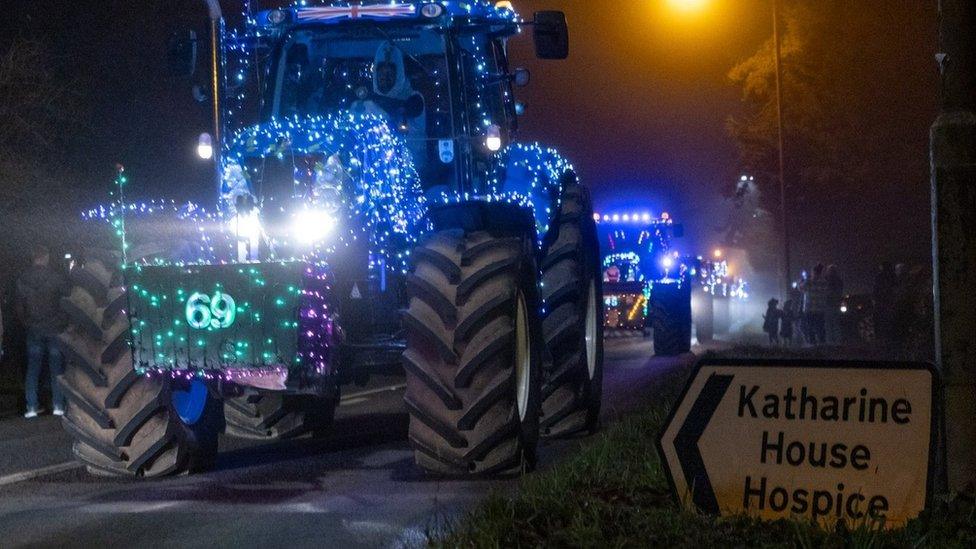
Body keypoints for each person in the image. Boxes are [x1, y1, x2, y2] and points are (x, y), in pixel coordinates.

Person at [16, 245, 68, 418]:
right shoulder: (56, 278)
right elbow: (65, 303)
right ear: (46, 257)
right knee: (56, 368)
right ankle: (58, 405)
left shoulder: (22, 279)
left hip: (33, 329)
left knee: (33, 368)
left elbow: (19, 307)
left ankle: (31, 407)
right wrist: (61, 323)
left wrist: (27, 323)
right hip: (54, 328)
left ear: (33, 257)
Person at [802, 264, 829, 345]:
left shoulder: (809, 281)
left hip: (809, 308)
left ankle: (812, 343)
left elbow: (801, 288)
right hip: (820, 308)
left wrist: (802, 281)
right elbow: (826, 292)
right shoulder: (824, 282)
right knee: (820, 327)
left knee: (810, 327)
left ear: (814, 272)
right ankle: (822, 342)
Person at [824, 265, 844, 344]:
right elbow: (839, 293)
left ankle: (831, 342)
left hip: (828, 304)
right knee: (835, 324)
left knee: (829, 325)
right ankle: (837, 342)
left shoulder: (827, 281)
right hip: (835, 304)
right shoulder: (838, 281)